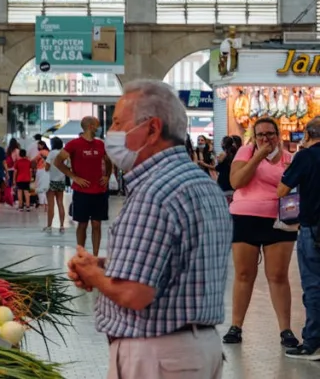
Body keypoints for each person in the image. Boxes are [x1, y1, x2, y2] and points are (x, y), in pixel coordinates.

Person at [67, 80, 230, 379]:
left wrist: (93, 275)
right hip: (197, 348)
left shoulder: (155, 192)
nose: (111, 132)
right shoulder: (202, 184)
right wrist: (107, 265)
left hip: (157, 356)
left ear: (153, 129)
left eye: (117, 122)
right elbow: (179, 264)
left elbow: (135, 293)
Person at [223, 117, 298, 348]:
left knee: (278, 276)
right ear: (254, 137)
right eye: (260, 135)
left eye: (270, 134)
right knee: (244, 275)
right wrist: (257, 155)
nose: (266, 138)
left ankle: (285, 330)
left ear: (279, 135)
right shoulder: (245, 153)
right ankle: (236, 326)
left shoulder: (289, 158)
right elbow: (236, 182)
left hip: (280, 220)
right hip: (246, 217)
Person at [278, 117, 320, 360]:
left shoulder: (305, 156)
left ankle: (313, 342)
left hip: (313, 228)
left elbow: (283, 190)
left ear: (307, 135)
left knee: (314, 285)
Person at [55, 116, 113, 256]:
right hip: (82, 191)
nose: (98, 128)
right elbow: (58, 162)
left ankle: (95, 255)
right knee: (82, 224)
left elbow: (109, 160)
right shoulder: (73, 144)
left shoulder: (101, 144)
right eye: (97, 125)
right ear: (90, 126)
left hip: (99, 191)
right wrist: (74, 177)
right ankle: (81, 253)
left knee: (97, 224)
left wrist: (107, 176)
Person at [45, 137, 67, 233]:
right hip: (61, 181)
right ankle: (62, 226)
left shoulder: (51, 153)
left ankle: (49, 226)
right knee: (60, 203)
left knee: (51, 205)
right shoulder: (63, 154)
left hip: (51, 181)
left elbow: (47, 167)